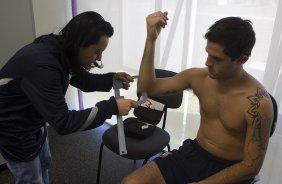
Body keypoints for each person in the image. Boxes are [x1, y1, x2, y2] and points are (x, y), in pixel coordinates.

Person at [122, 11, 274, 184]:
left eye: (217, 59)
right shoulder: (198, 78)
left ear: (242, 59)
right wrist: (151, 40)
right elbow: (145, 89)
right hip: (195, 154)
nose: (207, 62)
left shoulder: (258, 104)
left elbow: (251, 166)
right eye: (208, 54)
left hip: (232, 169)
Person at [0, 11, 137, 184]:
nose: (99, 59)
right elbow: (63, 122)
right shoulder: (44, 66)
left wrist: (111, 78)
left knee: (44, 163)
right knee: (30, 178)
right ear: (80, 43)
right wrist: (111, 107)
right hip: (13, 128)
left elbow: (82, 80)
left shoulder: (63, 50)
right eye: (97, 51)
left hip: (33, 117)